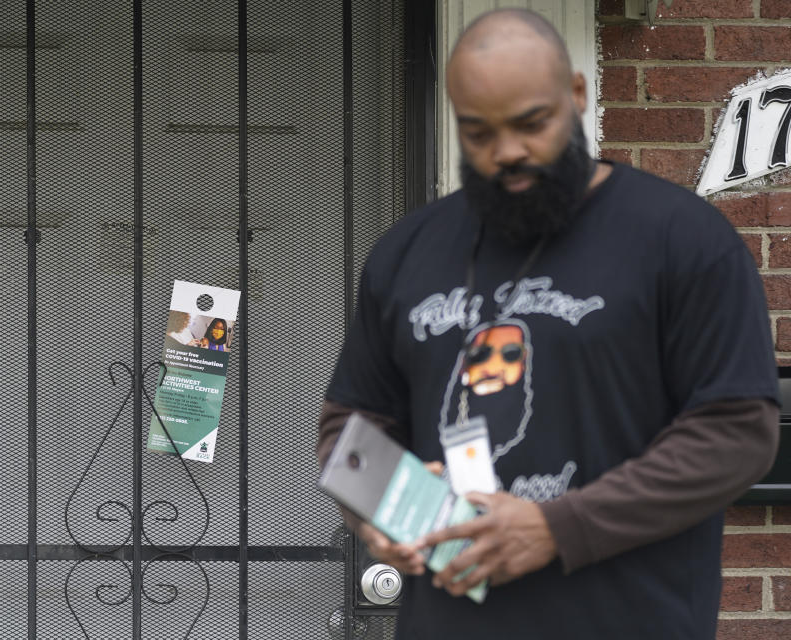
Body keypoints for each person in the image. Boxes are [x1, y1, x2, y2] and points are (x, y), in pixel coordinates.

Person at [317, 8, 779, 639]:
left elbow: (735, 431)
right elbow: (350, 426)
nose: (507, 152)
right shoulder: (407, 253)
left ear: (578, 96)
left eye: (531, 124)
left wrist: (556, 527)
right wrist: (377, 505)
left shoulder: (683, 242)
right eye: (478, 133)